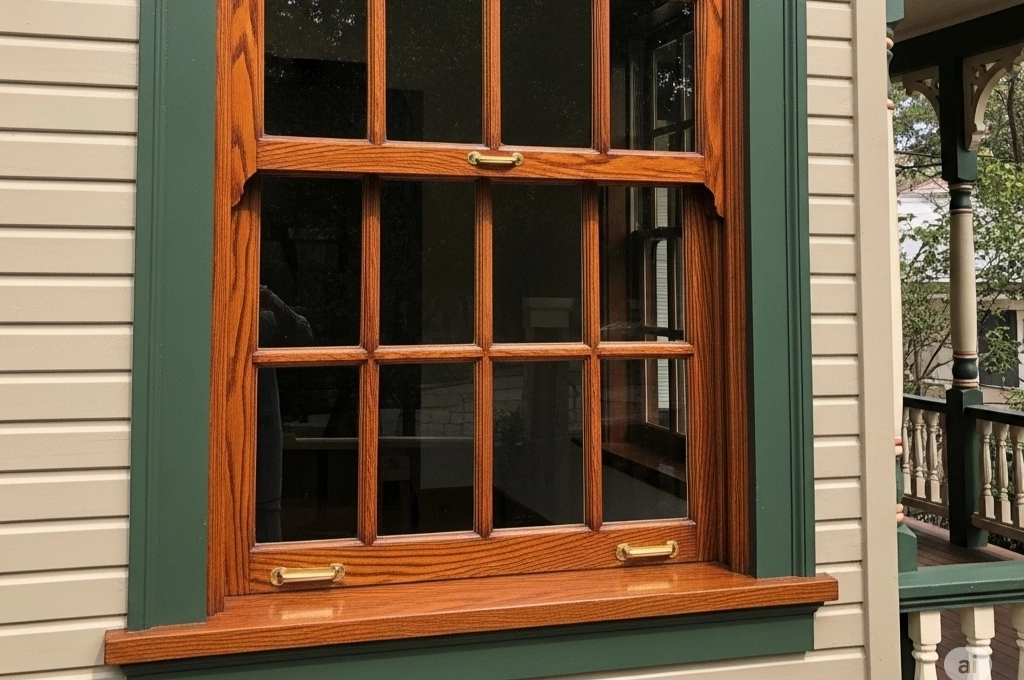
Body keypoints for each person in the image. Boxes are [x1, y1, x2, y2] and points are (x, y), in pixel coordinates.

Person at [256, 285, 314, 543]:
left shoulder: (266, 318)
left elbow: (303, 334)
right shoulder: (260, 321)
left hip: (263, 431)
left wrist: (269, 299)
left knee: (267, 517)